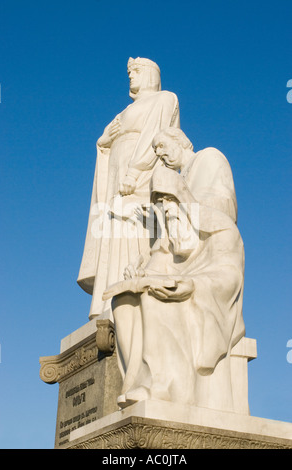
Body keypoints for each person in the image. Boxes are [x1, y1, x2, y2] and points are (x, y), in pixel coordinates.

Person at [103, 128, 245, 412]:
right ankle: (137, 384)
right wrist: (142, 268)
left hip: (204, 285)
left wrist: (191, 284)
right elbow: (166, 247)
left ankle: (163, 387)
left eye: (162, 145)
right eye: (155, 150)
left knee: (156, 299)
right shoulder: (175, 213)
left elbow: (225, 207)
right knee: (125, 301)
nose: (160, 153)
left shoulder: (209, 159)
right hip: (184, 262)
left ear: (181, 141)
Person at [77, 59, 180, 319]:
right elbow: (106, 142)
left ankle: (134, 296)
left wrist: (135, 171)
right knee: (115, 233)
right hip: (116, 177)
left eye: (135, 72)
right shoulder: (124, 110)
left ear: (149, 75)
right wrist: (103, 141)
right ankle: (108, 301)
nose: (130, 77)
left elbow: (155, 137)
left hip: (141, 177)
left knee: (137, 230)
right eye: (129, 73)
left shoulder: (164, 99)